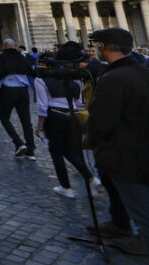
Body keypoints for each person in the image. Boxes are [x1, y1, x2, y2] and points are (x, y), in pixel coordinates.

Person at [87, 27, 149, 265]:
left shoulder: (112, 78)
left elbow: (101, 124)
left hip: (131, 160)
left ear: (102, 47)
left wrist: (97, 146)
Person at [34, 42, 101, 199]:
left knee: (56, 152)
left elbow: (43, 106)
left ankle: (66, 187)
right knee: (73, 151)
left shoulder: (41, 79)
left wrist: (40, 126)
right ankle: (92, 179)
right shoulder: (73, 76)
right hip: (74, 115)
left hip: (55, 116)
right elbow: (79, 102)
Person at [0, 38, 36, 159]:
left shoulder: (0, 58)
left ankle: (18, 142)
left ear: (4, 46)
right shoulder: (23, 57)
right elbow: (32, 69)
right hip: (23, 91)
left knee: (4, 117)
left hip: (8, 91)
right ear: (16, 46)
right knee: (26, 120)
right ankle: (31, 150)